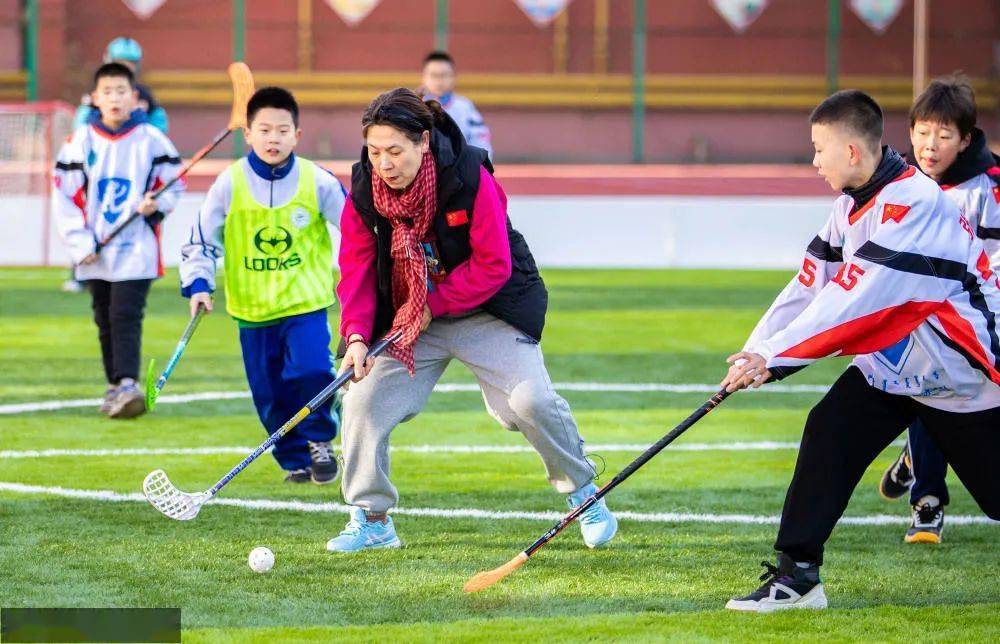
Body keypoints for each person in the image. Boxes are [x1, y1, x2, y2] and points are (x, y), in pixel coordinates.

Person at [721, 89, 1000, 612]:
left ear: (851, 152)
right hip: (891, 370)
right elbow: (809, 285)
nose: (813, 160)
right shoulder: (849, 206)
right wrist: (754, 351)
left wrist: (776, 361)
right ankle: (797, 578)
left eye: (818, 148)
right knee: (828, 430)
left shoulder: (917, 205)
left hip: (962, 379)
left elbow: (856, 301)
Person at [325, 88, 616, 553]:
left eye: (395, 151)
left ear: (423, 141)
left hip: (486, 308)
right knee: (362, 402)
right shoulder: (364, 189)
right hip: (408, 315)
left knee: (530, 403)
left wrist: (431, 306)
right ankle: (373, 519)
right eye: (375, 151)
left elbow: (493, 266)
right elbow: (356, 268)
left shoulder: (470, 176)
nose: (384, 164)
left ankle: (585, 495)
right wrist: (357, 334)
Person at [179, 87, 346, 485]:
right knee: (269, 395)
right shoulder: (228, 183)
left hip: (305, 305)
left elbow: (358, 234)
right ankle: (294, 460)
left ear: (297, 135)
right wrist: (199, 283)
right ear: (248, 134)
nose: (274, 138)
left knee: (310, 371)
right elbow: (201, 240)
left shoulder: (318, 181)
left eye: (283, 130)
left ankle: (321, 440)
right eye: (265, 130)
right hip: (251, 313)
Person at [877, 76, 1000, 544]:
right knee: (924, 387)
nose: (931, 145)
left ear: (966, 139)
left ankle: (912, 462)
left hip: (982, 319)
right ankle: (927, 502)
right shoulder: (900, 184)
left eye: (944, 135)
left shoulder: (990, 190)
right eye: (923, 132)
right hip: (920, 321)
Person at [53, 62, 184, 418]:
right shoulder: (79, 141)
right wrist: (80, 244)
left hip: (136, 250)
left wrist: (156, 203)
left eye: (121, 91)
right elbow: (64, 194)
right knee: (103, 317)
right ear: (95, 98)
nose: (114, 98)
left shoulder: (152, 140)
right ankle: (115, 384)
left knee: (125, 314)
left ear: (134, 97)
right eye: (107, 92)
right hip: (96, 251)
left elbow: (174, 183)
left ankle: (128, 383)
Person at [63, 37, 169, 294]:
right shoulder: (94, 97)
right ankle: (81, 270)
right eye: (121, 61)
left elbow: (159, 129)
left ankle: (141, 269)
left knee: (142, 219)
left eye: (131, 62)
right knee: (91, 218)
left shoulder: (145, 98)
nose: (126, 66)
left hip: (134, 171)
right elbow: (81, 127)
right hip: (98, 171)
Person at [420, 51, 493, 160]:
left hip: (460, 169)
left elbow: (481, 142)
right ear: (424, 78)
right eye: (434, 75)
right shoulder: (416, 106)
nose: (439, 80)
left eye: (444, 75)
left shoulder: (465, 107)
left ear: (453, 77)